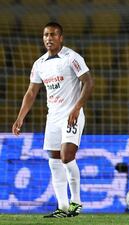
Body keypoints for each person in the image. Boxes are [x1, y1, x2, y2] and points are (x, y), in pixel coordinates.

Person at [12, 22, 93, 218]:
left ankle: (76, 202)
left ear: (60, 37)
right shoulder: (40, 64)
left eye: (53, 34)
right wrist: (20, 118)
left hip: (71, 116)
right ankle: (63, 207)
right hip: (53, 118)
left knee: (66, 157)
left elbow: (88, 82)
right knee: (54, 161)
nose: (49, 38)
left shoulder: (72, 58)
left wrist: (77, 108)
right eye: (46, 35)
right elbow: (31, 92)